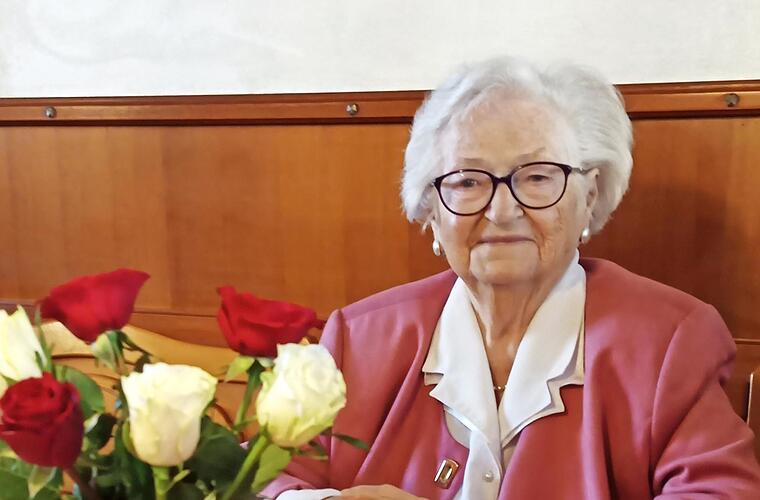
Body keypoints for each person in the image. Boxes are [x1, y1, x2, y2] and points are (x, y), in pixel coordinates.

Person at [264, 56, 760, 499]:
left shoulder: (668, 342)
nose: (502, 211)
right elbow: (259, 478)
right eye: (468, 180)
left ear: (589, 196)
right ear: (432, 210)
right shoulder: (358, 339)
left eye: (537, 176)